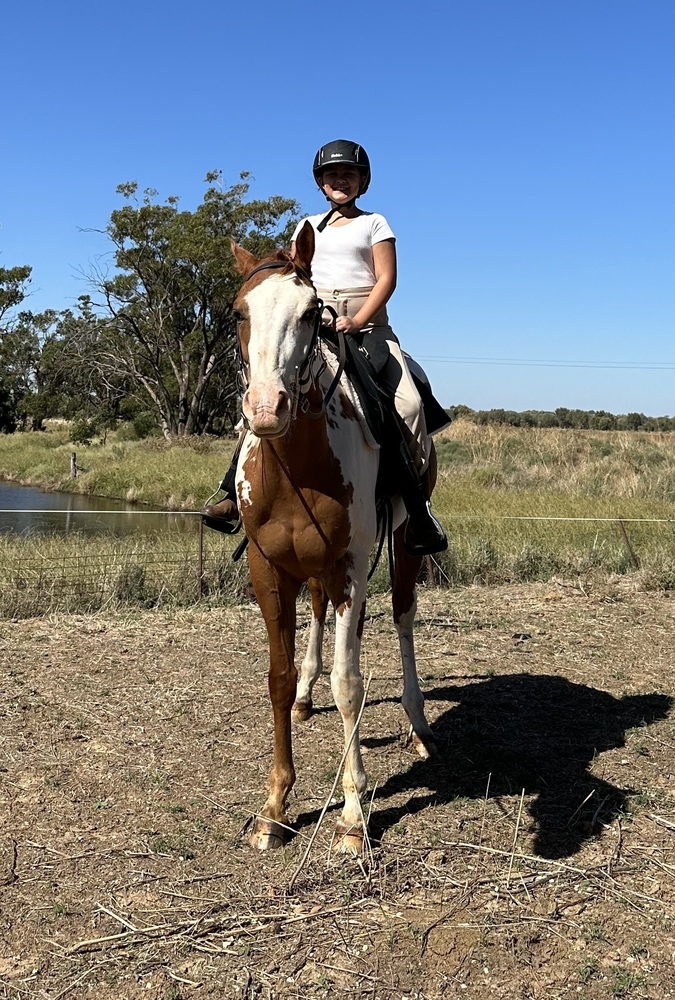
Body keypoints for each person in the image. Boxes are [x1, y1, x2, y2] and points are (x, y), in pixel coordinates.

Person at [202, 139, 447, 556]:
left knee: (406, 404)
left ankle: (419, 511)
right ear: (321, 182)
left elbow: (386, 279)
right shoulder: (306, 226)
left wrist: (359, 318)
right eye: (332, 175)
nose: (340, 181)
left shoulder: (375, 224)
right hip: (314, 322)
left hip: (367, 328)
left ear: (361, 181)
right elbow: (294, 275)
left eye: (348, 175)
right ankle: (231, 491)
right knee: (269, 392)